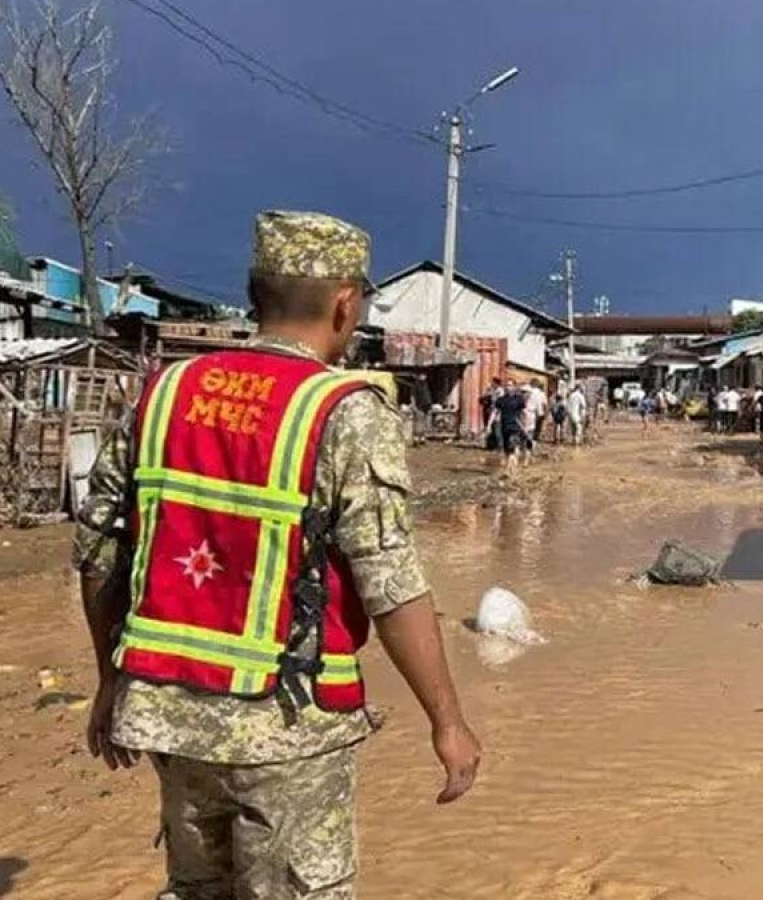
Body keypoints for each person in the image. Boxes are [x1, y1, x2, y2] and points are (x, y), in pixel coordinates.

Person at [72, 210, 481, 899]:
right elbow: (392, 587)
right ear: (345, 305)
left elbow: (98, 553)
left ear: (254, 294)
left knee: (196, 888)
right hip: (290, 728)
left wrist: (109, 684)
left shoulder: (163, 393)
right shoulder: (347, 412)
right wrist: (448, 721)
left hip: (171, 714)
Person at [494, 379, 531, 473]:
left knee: (512, 447)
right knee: (507, 449)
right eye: (506, 385)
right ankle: (513, 467)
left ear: (514, 387)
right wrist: (489, 425)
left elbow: (524, 413)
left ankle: (508, 469)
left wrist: (526, 425)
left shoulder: (519, 399)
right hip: (504, 426)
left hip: (515, 426)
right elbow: (495, 412)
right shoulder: (501, 400)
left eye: (510, 385)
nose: (508, 387)